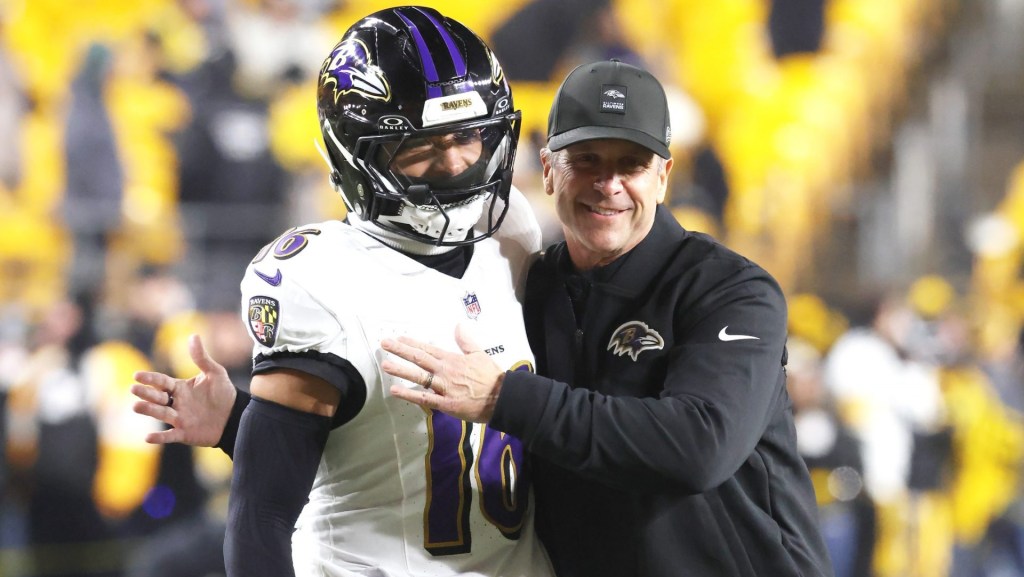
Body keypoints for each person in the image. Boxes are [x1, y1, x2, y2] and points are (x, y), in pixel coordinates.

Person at [132, 7, 553, 577]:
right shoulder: (323, 279)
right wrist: (252, 433)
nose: (455, 164)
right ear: (359, 158)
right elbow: (262, 514)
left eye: (467, 136)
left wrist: (238, 426)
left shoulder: (514, 235)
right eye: (421, 146)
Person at [380, 59, 835, 576]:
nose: (609, 183)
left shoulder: (731, 289)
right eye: (587, 160)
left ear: (663, 177)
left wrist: (504, 398)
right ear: (549, 171)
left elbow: (698, 446)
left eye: (632, 164)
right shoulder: (528, 287)